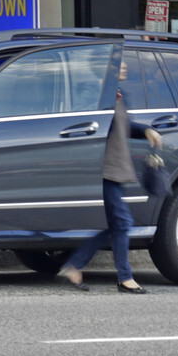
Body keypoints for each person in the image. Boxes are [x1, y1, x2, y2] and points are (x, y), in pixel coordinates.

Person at [57, 59, 150, 294]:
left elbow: (123, 126)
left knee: (119, 224)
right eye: (119, 63)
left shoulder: (118, 94)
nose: (125, 66)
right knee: (122, 223)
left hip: (114, 167)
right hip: (103, 167)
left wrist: (146, 130)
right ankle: (124, 277)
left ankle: (75, 265)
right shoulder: (96, 94)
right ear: (106, 68)